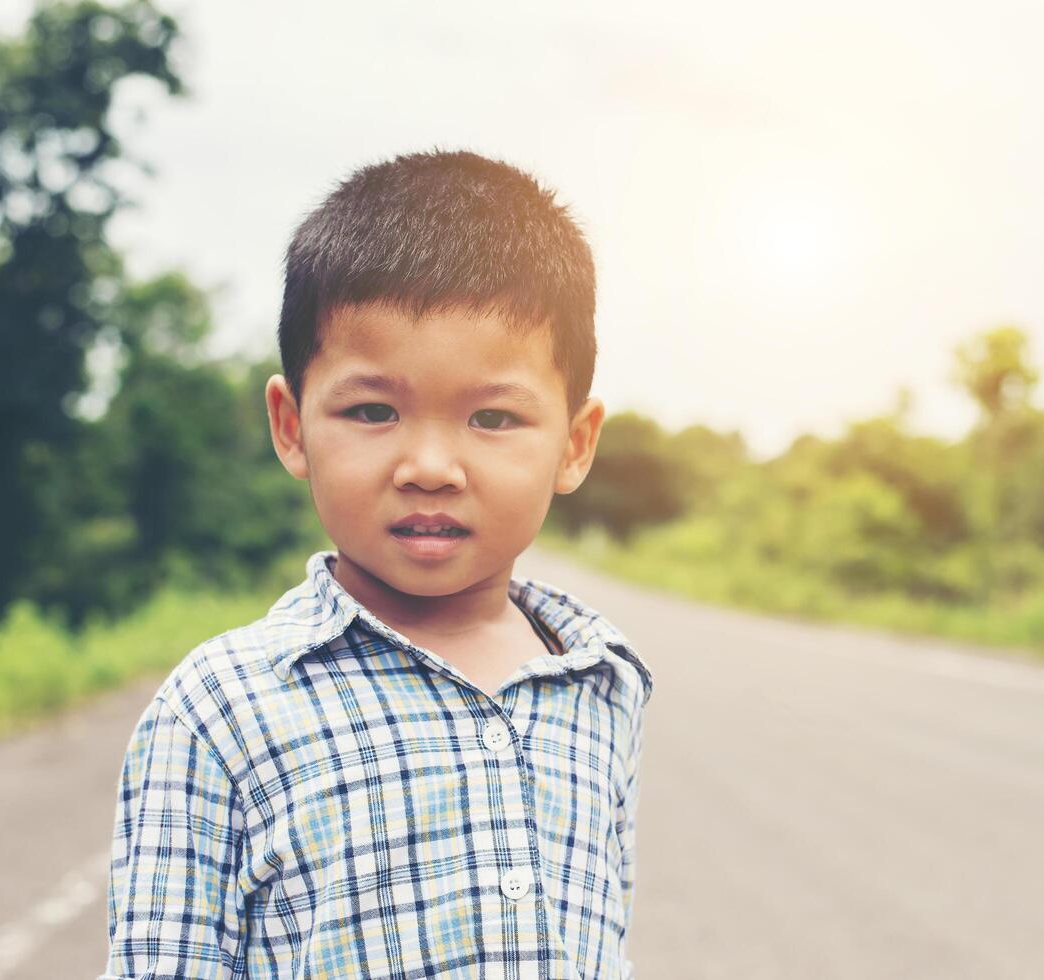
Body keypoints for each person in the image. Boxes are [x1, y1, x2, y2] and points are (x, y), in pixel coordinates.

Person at [101, 149, 654, 979]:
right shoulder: (220, 710)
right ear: (291, 427)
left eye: (494, 418)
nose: (430, 465)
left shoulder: (600, 684)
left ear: (573, 445)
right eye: (371, 410)